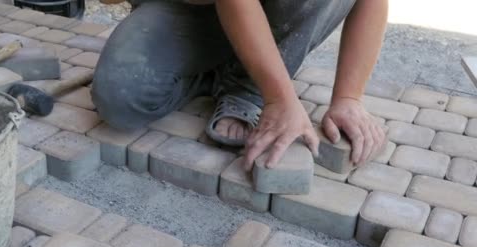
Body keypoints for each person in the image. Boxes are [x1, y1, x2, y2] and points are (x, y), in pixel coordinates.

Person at [92, 0, 388, 170]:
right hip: (189, 7)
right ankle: (219, 70)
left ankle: (247, 84)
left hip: (275, 8)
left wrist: (348, 97)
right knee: (120, 96)